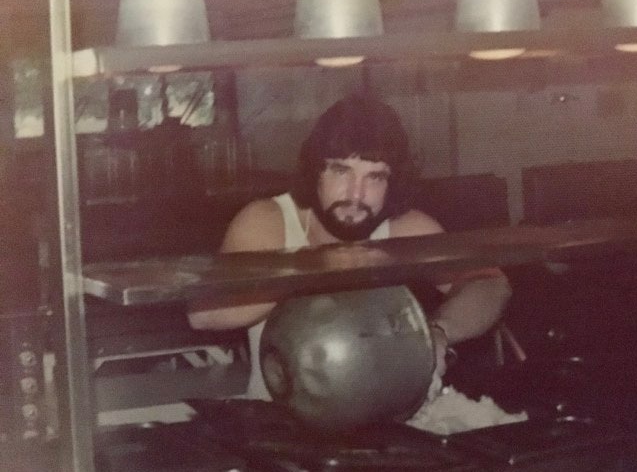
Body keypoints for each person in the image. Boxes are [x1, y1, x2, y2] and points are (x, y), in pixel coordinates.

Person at [188, 94, 512, 401]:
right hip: (280, 426)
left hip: (383, 425)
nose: (356, 194)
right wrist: (321, 268)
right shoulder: (268, 220)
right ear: (315, 171)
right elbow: (204, 314)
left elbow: (491, 283)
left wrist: (438, 334)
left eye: (375, 177)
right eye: (341, 171)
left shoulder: (405, 228)